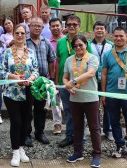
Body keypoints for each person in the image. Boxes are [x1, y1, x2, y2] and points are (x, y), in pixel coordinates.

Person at [0, 24, 39, 167]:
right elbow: (0, 71)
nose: (20, 35)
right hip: (11, 92)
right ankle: (15, 150)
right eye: (17, 33)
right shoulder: (6, 52)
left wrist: (31, 79)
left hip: (28, 91)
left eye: (22, 33)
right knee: (16, 121)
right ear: (13, 35)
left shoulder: (31, 52)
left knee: (26, 121)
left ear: (26, 35)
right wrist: (13, 77)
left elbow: (35, 70)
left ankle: (21, 148)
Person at [101, 27, 127, 161]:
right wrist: (104, 94)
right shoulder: (107, 54)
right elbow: (104, 74)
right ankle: (119, 145)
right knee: (114, 121)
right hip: (112, 94)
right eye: (116, 36)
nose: (118, 38)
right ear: (113, 37)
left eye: (121, 36)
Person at [63, 35, 101, 168]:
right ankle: (78, 152)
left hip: (90, 99)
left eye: (81, 45)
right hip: (75, 98)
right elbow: (65, 77)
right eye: (75, 46)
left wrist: (72, 82)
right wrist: (68, 87)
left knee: (94, 127)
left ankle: (96, 154)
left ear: (86, 44)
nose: (78, 48)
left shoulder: (92, 58)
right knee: (77, 126)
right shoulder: (69, 60)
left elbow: (90, 73)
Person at [56, 15, 92, 148]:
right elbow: (58, 62)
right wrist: (57, 81)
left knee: (79, 112)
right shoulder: (61, 42)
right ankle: (69, 136)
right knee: (68, 111)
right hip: (64, 83)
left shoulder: (84, 42)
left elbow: (90, 61)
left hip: (80, 85)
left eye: (74, 24)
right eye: (69, 24)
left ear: (79, 26)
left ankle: (81, 138)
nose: (71, 26)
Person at [25, 17, 56, 146]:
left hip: (43, 82)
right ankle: (26, 134)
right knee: (27, 109)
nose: (37, 28)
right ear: (29, 26)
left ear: (43, 28)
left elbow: (51, 60)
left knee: (41, 109)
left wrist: (51, 79)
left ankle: (39, 132)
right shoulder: (24, 42)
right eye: (34, 25)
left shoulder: (46, 42)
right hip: (28, 82)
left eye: (39, 26)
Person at [89, 21, 114, 141]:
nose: (99, 30)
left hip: (107, 80)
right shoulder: (88, 45)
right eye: (97, 28)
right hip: (92, 80)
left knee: (108, 105)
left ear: (106, 31)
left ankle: (108, 130)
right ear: (93, 31)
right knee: (94, 106)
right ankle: (96, 129)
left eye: (102, 28)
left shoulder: (111, 45)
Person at [48, 18, 64, 135]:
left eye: (57, 25)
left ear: (61, 27)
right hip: (51, 76)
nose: (55, 28)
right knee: (55, 102)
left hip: (66, 76)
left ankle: (71, 125)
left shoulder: (67, 41)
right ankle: (57, 124)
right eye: (53, 26)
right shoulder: (47, 42)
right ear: (49, 28)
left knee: (69, 102)